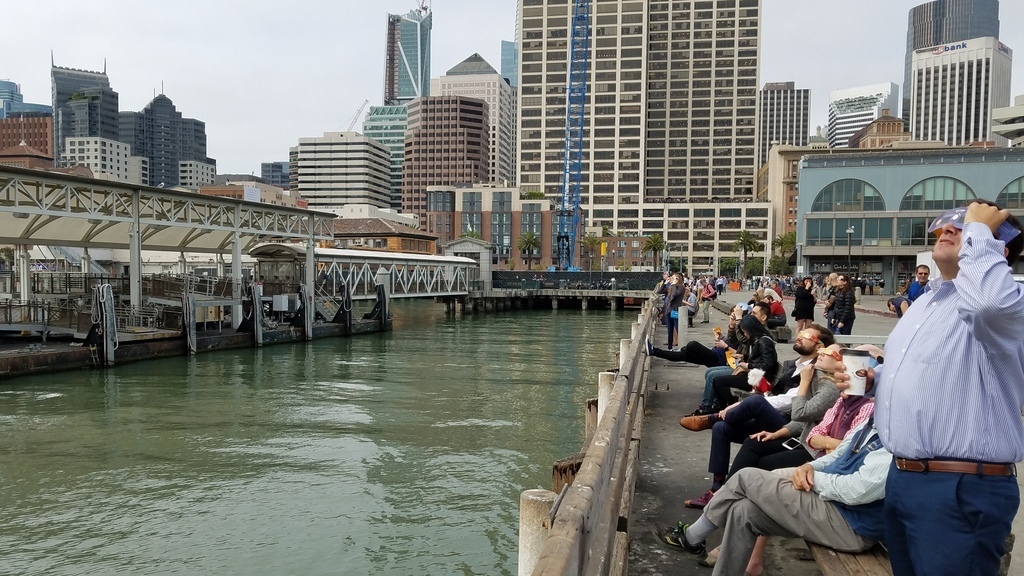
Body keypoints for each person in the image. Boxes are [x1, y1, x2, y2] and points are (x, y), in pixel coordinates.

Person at [875, 201, 1024, 576]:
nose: (951, 229)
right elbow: (925, 375)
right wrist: (871, 381)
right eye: (949, 225)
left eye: (966, 227)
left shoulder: (1004, 306)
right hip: (902, 478)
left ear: (996, 250)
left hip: (960, 486)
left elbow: (989, 305)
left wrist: (981, 233)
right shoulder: (927, 303)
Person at [655, 418, 890, 576]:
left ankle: (692, 537)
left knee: (746, 477)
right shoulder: (873, 424)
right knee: (744, 511)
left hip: (851, 526)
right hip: (832, 506)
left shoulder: (895, 441)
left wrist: (814, 478)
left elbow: (857, 491)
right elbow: (835, 455)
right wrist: (811, 467)